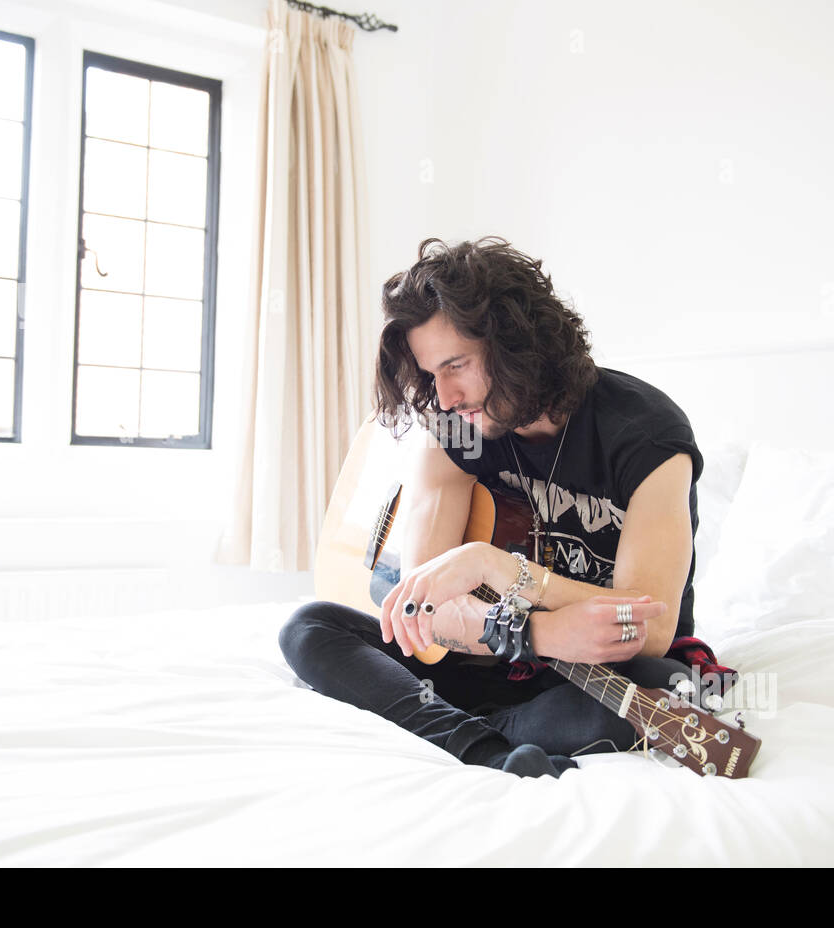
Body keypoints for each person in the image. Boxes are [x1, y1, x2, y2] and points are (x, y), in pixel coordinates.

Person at [278, 236, 737, 778]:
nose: (444, 396)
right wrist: (538, 634)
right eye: (431, 374)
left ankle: (443, 726)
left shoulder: (646, 435)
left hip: (596, 670)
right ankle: (486, 749)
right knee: (309, 627)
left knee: (659, 690)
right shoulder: (455, 428)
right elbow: (424, 610)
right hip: (484, 656)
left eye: (456, 365)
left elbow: (648, 627)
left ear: (518, 342)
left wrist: (495, 567)